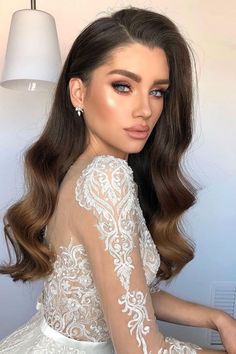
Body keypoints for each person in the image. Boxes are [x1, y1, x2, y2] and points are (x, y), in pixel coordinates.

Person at [0, 6, 235, 354]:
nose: (145, 109)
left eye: (158, 91)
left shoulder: (80, 167)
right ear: (78, 93)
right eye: (123, 86)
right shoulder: (106, 178)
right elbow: (139, 348)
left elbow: (127, 294)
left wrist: (217, 319)